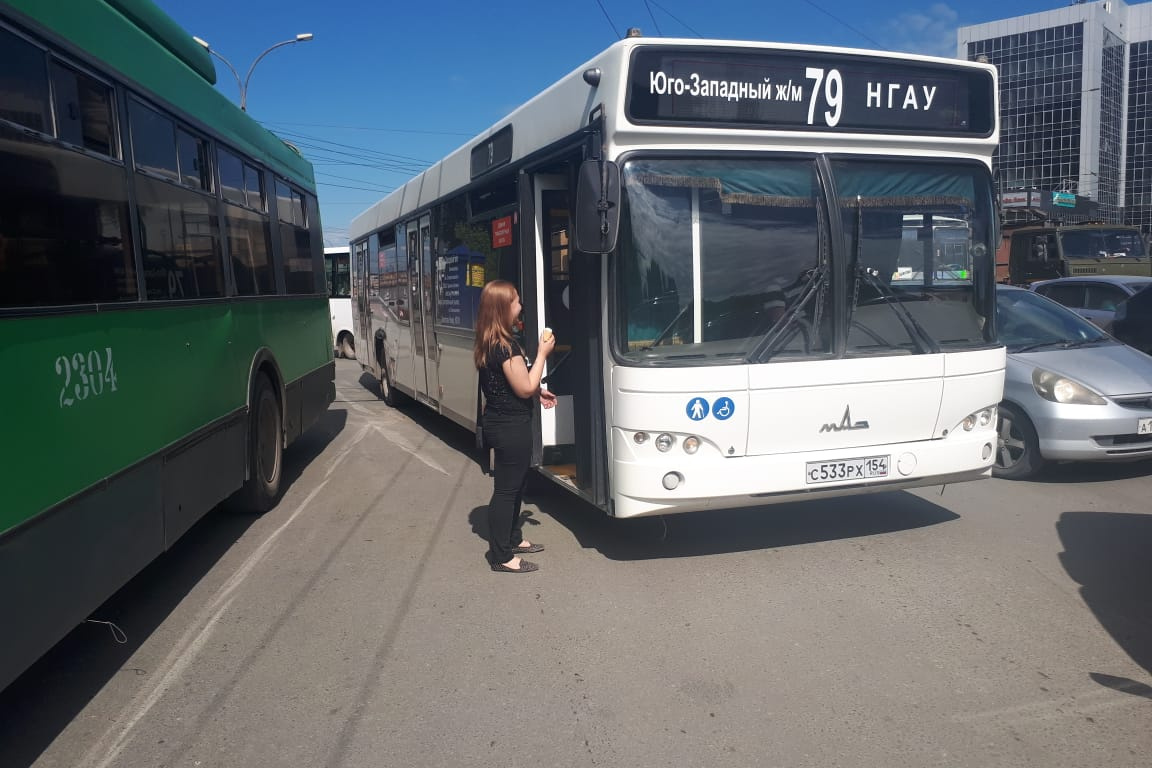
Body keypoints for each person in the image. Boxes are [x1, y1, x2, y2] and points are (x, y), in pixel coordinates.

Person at [473, 279, 556, 573]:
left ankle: (513, 538)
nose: (520, 305)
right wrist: (542, 354)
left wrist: (537, 391)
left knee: (516, 485)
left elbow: (511, 385)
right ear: (503, 308)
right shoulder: (505, 346)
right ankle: (501, 556)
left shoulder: (489, 341)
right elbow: (523, 387)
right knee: (507, 490)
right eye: (516, 301)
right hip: (510, 426)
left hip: (502, 421)